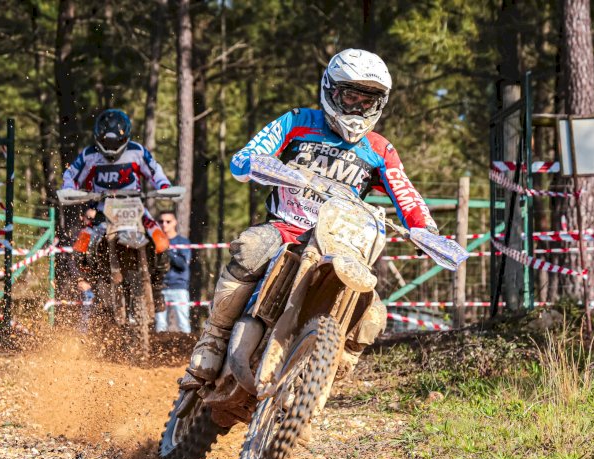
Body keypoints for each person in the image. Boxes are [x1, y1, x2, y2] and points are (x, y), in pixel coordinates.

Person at [181, 48, 439, 390]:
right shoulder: (297, 122)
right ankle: (213, 339)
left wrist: (426, 230)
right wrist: (259, 163)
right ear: (331, 91)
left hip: (340, 244)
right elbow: (247, 155)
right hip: (287, 229)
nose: (358, 108)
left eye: (368, 101)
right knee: (252, 247)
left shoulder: (379, 148)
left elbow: (405, 193)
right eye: (351, 96)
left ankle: (332, 371)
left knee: (373, 312)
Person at [62, 108, 172, 321]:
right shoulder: (90, 154)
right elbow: (71, 174)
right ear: (98, 138)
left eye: (116, 143)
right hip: (104, 210)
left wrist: (164, 186)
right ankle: (94, 282)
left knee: (161, 241)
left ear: (125, 137)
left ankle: (157, 288)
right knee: (80, 248)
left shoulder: (137, 151)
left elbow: (155, 170)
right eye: (107, 143)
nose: (111, 148)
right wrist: (69, 189)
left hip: (135, 208)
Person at [154, 211, 192, 334]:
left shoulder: (183, 242)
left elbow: (182, 264)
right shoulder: (154, 241)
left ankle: (188, 351)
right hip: (160, 287)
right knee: (160, 325)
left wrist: (167, 250)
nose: (164, 224)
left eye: (168, 221)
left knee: (184, 324)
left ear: (175, 222)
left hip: (179, 287)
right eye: (161, 221)